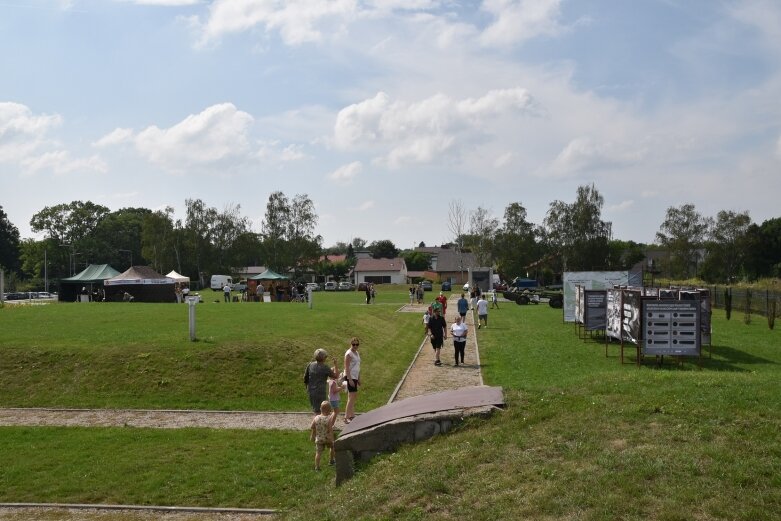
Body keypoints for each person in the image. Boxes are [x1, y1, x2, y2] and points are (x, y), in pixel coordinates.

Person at [304, 349, 337, 415]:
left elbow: (305, 377)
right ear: (324, 358)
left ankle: (317, 423)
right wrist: (335, 365)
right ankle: (318, 423)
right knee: (321, 411)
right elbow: (335, 376)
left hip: (311, 390)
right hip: (320, 391)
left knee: (315, 410)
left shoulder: (310, 365)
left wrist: (307, 387)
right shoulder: (325, 367)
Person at [310, 400, 337, 470]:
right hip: (327, 438)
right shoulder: (329, 418)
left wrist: (312, 435)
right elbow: (330, 430)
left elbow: (312, 427)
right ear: (329, 410)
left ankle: (317, 467)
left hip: (319, 439)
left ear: (320, 409)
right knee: (332, 448)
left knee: (318, 453)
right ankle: (331, 461)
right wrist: (332, 439)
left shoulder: (316, 418)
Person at [343, 337, 361, 423]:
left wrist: (359, 378)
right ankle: (346, 417)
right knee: (352, 396)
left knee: (351, 396)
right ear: (351, 344)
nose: (355, 346)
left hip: (355, 376)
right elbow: (346, 367)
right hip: (350, 376)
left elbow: (358, 366)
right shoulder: (349, 354)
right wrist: (349, 379)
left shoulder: (356, 353)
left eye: (357, 344)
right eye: (353, 344)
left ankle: (351, 415)